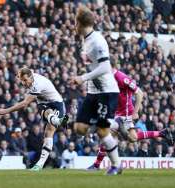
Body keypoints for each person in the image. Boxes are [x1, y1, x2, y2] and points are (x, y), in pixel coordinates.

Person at [87, 63, 174, 170]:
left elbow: (140, 93)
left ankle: (96, 165)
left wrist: (135, 112)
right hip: (115, 113)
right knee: (128, 138)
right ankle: (161, 133)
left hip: (125, 114)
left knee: (118, 137)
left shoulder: (122, 78)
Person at [70, 6, 121, 175]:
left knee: (101, 130)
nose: (74, 26)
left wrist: (82, 78)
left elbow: (106, 67)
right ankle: (111, 122)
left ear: (79, 23)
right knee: (79, 128)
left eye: (75, 23)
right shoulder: (86, 39)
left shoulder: (97, 41)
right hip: (93, 92)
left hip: (106, 91)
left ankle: (116, 165)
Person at [0, 67, 68, 171]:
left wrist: (6, 111)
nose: (24, 83)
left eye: (25, 80)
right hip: (44, 103)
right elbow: (26, 70)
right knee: (47, 132)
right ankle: (39, 165)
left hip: (57, 104)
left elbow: (24, 103)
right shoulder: (30, 75)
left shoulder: (37, 84)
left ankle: (58, 120)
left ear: (31, 77)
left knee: (49, 130)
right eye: (22, 81)